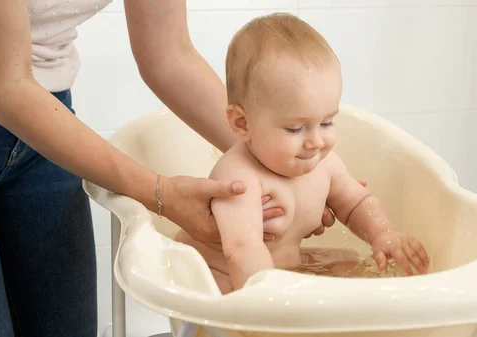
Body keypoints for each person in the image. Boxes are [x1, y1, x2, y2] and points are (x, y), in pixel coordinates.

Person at [0, 1, 344, 336]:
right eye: (298, 128)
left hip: (45, 112)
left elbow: (167, 54)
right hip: (8, 92)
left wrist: (280, 162)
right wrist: (161, 194)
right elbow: (4, 87)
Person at [173, 12, 430, 295]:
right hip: (229, 275)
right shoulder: (239, 178)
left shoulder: (325, 165)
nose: (316, 141)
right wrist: (271, 302)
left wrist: (383, 233)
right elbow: (243, 250)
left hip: (284, 267)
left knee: (348, 261)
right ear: (242, 123)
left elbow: (356, 203)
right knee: (217, 291)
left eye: (327, 122)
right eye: (295, 129)